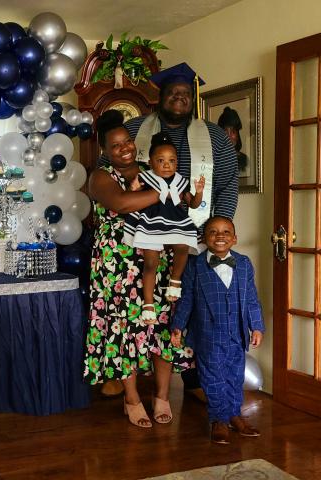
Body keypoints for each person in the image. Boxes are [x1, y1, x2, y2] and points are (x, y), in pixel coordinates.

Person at [124, 62, 239, 394]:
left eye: (185, 94)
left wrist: (217, 229)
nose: (179, 98)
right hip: (143, 230)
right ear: (160, 97)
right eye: (173, 93)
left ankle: (193, 379)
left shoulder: (214, 135)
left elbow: (228, 183)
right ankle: (127, 372)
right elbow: (114, 169)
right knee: (138, 301)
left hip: (192, 234)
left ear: (193, 100)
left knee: (188, 305)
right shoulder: (134, 130)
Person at [83, 109, 193, 428]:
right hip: (118, 265)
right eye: (115, 145)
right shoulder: (100, 176)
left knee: (161, 326)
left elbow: (178, 205)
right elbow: (122, 204)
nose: (124, 148)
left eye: (127, 141)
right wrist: (163, 191)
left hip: (155, 261)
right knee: (127, 330)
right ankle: (131, 399)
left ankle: (161, 396)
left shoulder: (149, 170)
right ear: (104, 150)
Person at [170, 216, 265, 444]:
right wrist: (178, 326)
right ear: (204, 238)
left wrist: (257, 326)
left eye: (225, 232)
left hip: (237, 333)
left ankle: (234, 415)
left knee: (234, 376)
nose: (219, 236)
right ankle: (218, 420)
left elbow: (251, 298)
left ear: (234, 239)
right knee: (213, 378)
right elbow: (187, 300)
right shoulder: (195, 265)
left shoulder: (243, 263)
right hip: (208, 334)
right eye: (213, 232)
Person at [124, 132, 205, 325]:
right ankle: (149, 303)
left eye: (171, 161)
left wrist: (199, 192)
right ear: (151, 162)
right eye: (161, 160)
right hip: (152, 220)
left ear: (177, 163)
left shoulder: (180, 181)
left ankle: (175, 280)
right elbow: (129, 199)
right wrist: (133, 190)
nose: (167, 165)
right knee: (151, 263)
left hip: (176, 220)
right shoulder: (145, 178)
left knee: (183, 246)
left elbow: (192, 204)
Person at [217, 106, 249, 174]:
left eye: (233, 132)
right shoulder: (216, 160)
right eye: (225, 131)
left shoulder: (244, 160)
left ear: (237, 135)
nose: (229, 136)